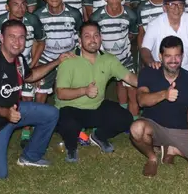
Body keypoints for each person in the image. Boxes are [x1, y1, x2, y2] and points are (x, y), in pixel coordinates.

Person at [0, 21, 69, 178]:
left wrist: (57, 61)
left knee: (51, 113)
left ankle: (31, 156)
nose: (17, 42)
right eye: (12, 37)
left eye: (21, 37)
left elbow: (30, 76)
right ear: (1, 38)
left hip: (14, 111)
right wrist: (6, 113)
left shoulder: (19, 59)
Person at [131, 36, 188, 176]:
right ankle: (152, 158)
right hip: (155, 127)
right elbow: (141, 100)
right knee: (136, 128)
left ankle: (172, 149)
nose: (173, 60)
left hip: (182, 131)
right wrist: (164, 95)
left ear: (182, 56)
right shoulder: (149, 73)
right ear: (160, 56)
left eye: (177, 56)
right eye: (168, 56)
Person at [54, 21, 139, 162]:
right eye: (87, 36)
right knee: (69, 124)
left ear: (101, 38)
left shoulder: (108, 59)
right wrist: (84, 90)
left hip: (95, 106)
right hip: (70, 108)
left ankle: (99, 136)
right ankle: (71, 148)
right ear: (80, 41)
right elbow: (61, 93)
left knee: (125, 118)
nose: (92, 40)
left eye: (96, 35)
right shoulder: (68, 60)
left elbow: (129, 77)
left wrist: (151, 84)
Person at [0, 0, 46, 146]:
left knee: (27, 97)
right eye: (15, 4)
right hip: (4, 66)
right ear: (7, 6)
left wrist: (32, 65)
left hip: (26, 64)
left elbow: (40, 42)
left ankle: (26, 133)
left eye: (23, 4)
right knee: (4, 99)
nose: (20, 8)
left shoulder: (33, 20)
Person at [91, 0, 141, 117]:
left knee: (131, 89)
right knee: (96, 91)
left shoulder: (130, 15)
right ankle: (99, 118)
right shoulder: (97, 17)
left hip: (125, 59)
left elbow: (132, 34)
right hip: (103, 60)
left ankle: (133, 120)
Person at [33, 0, 83, 103]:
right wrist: (36, 65)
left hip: (68, 59)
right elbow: (36, 41)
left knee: (67, 97)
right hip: (46, 60)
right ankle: (40, 122)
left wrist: (79, 60)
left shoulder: (74, 14)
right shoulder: (37, 15)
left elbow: (80, 38)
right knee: (39, 95)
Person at [141, 0, 188, 76]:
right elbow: (145, 49)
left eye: (180, 4)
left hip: (187, 71)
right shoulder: (154, 24)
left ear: (184, 7)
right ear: (164, 8)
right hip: (161, 71)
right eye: (172, 4)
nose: (176, 8)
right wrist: (151, 62)